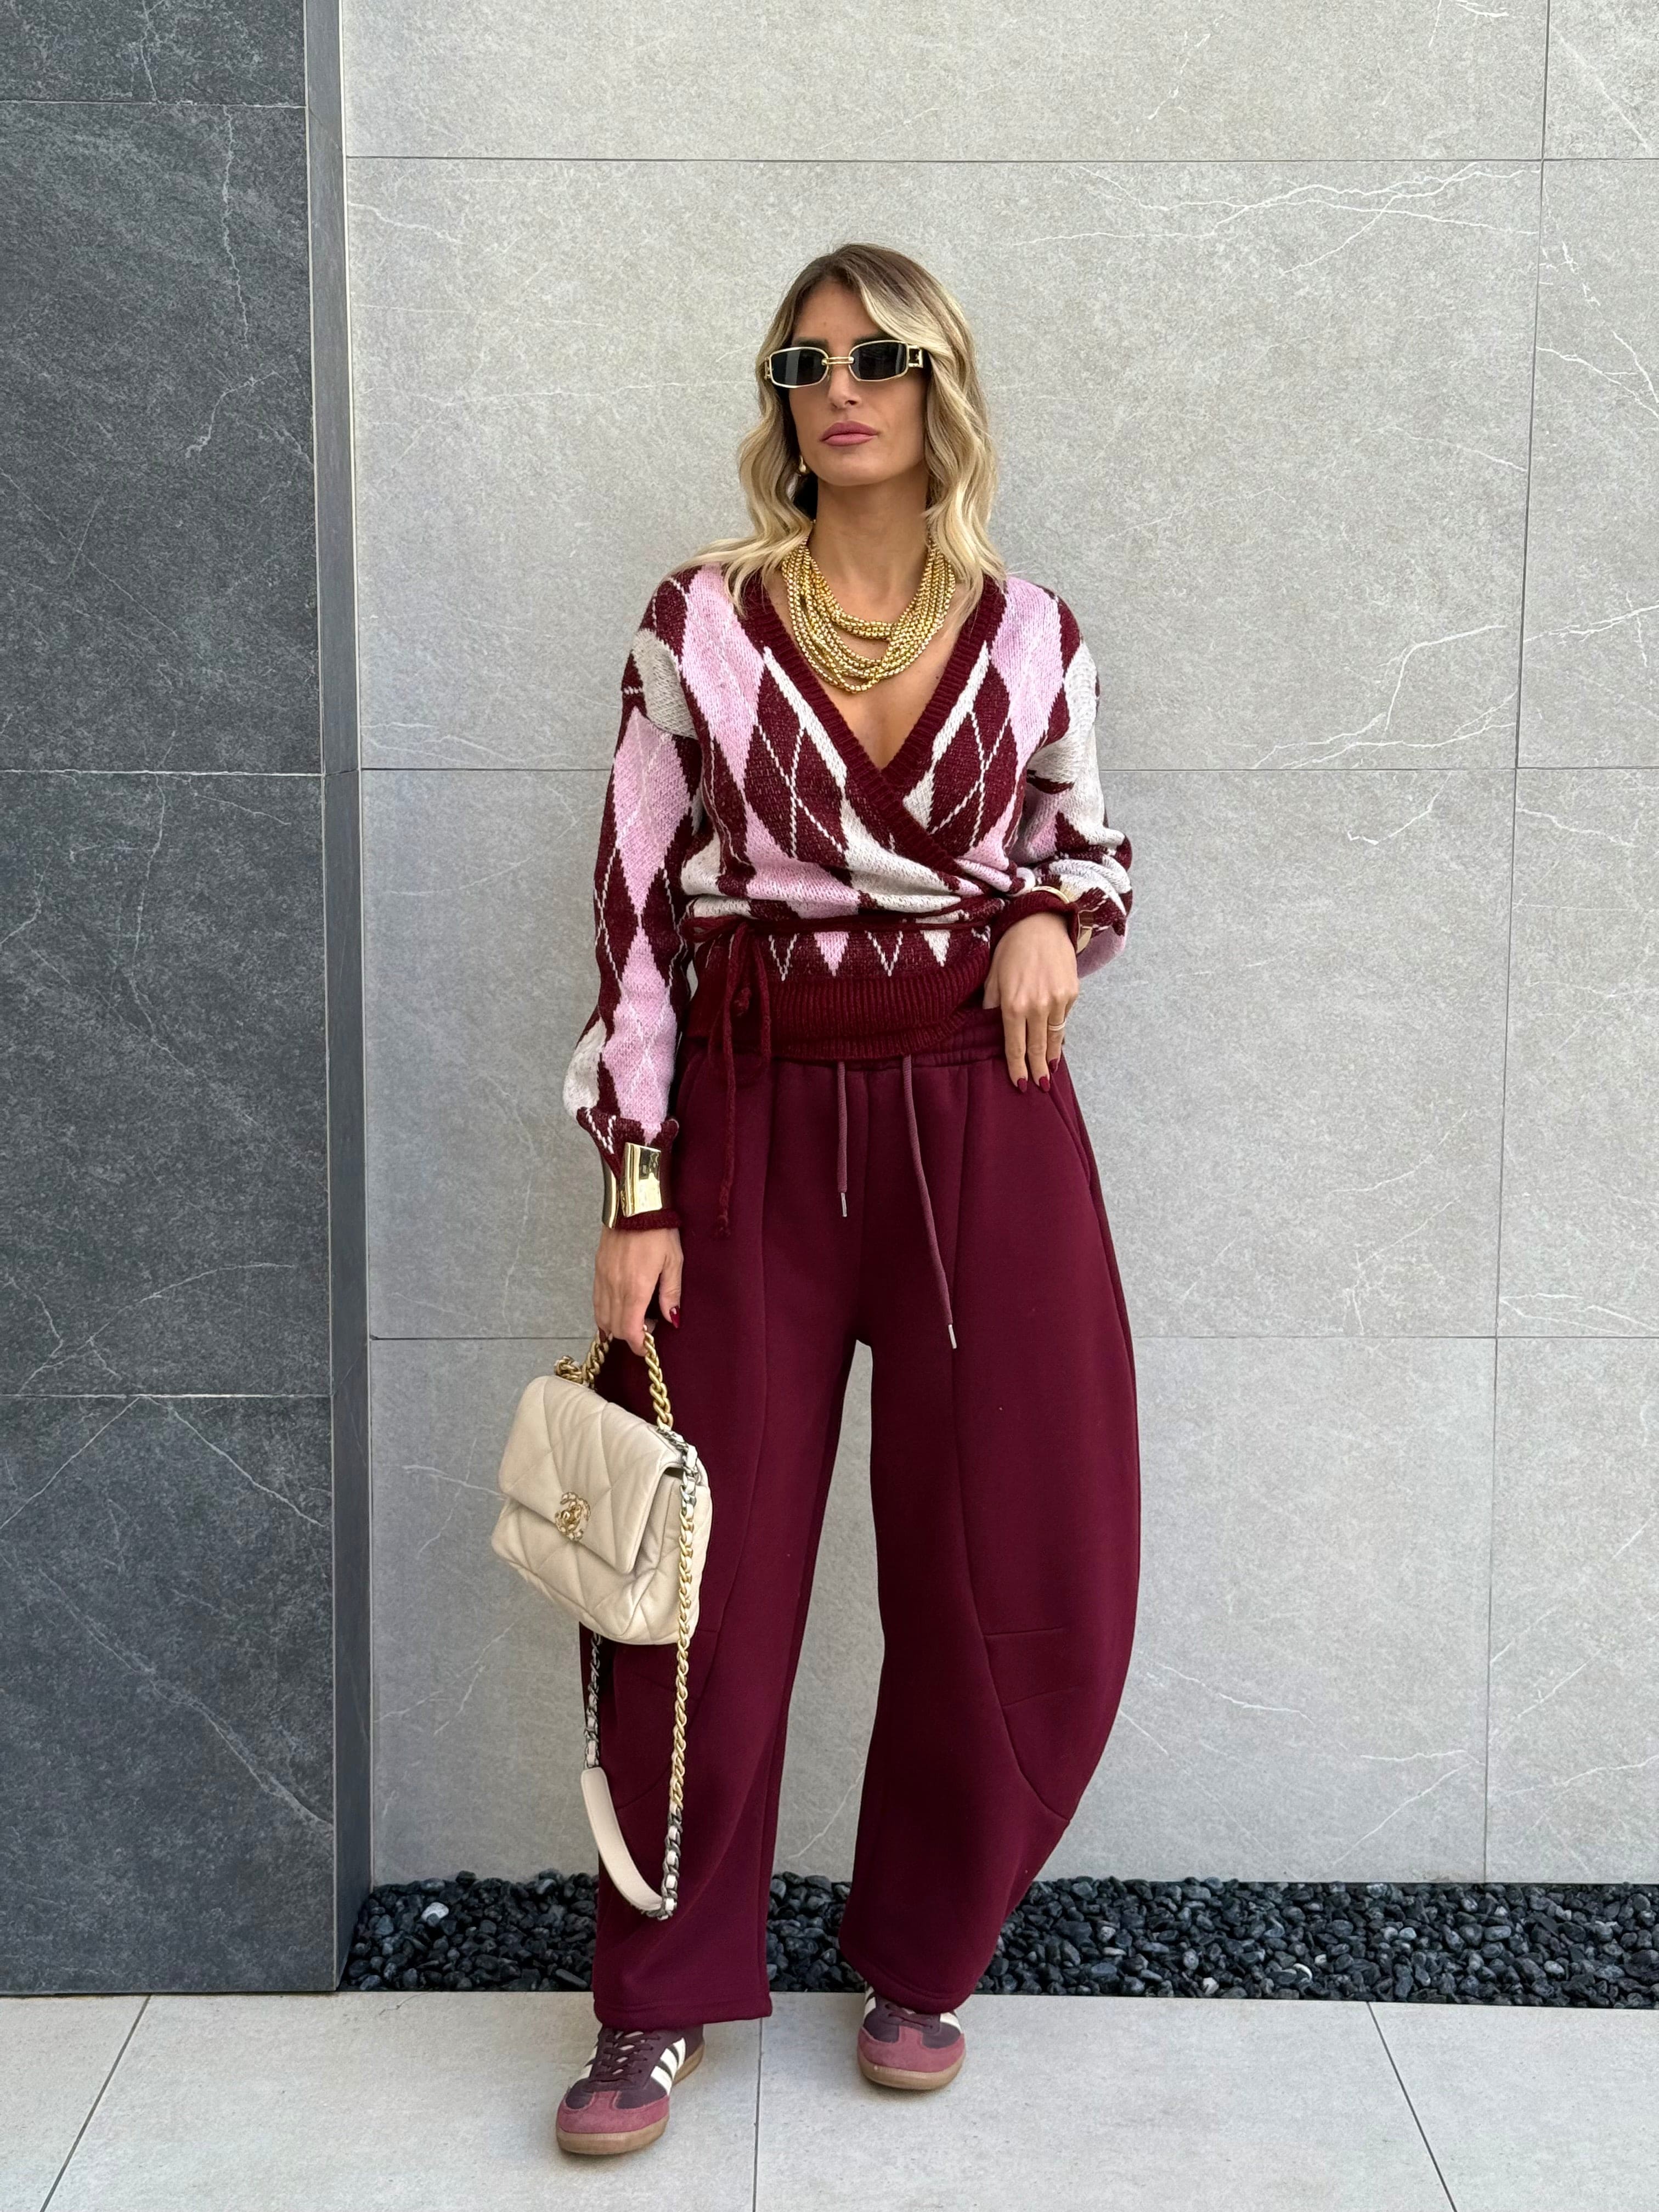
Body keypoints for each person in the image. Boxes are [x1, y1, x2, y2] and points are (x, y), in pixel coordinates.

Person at [553, 240, 1140, 2157]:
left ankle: (924, 1953)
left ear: (938, 384)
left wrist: (1051, 912)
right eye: (804, 364)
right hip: (754, 1118)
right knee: (702, 1574)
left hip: (987, 1116)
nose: (840, 389)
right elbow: (636, 915)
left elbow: (1094, 850)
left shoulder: (1035, 632)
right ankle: (655, 1996)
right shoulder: (698, 625)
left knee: (1008, 1555)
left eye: (877, 357)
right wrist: (638, 1183)